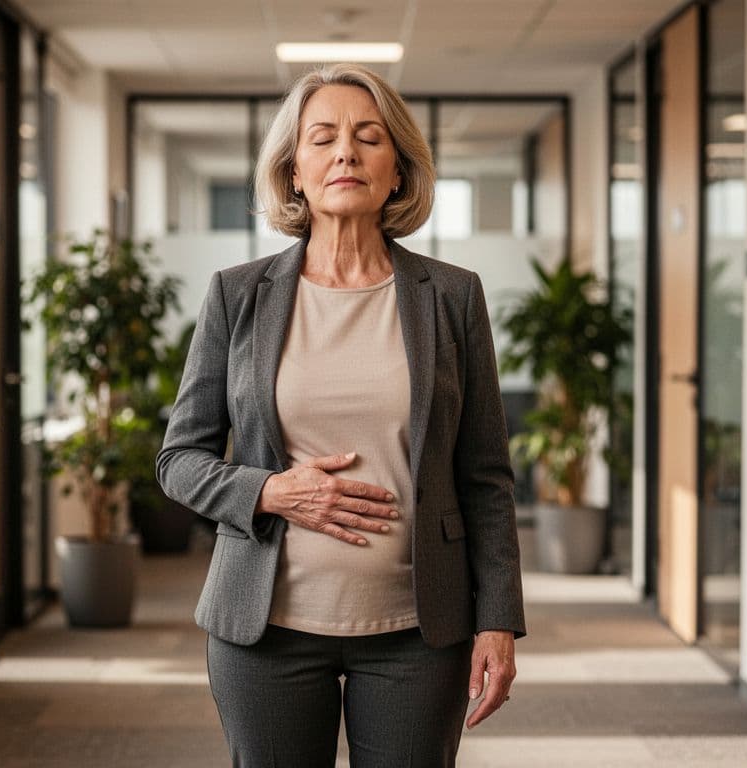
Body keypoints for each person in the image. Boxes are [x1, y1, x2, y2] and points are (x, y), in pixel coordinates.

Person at [156, 62, 525, 767]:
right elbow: (179, 459)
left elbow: (485, 475)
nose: (345, 154)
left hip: (420, 632)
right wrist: (269, 489)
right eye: (322, 138)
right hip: (266, 630)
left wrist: (498, 619)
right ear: (295, 171)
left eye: (368, 138)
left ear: (397, 169)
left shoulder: (451, 297)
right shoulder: (238, 295)